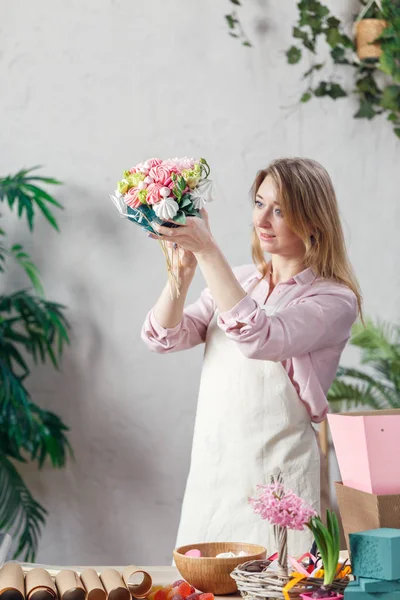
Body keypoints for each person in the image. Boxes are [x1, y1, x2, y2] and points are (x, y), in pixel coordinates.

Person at [141, 157, 361, 557]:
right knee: (202, 585)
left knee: (273, 584)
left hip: (278, 475)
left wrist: (208, 251)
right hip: (214, 467)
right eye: (260, 203)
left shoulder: (333, 300)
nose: (263, 220)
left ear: (313, 220)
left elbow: (260, 337)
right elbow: (163, 337)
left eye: (281, 210)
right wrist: (182, 274)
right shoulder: (241, 280)